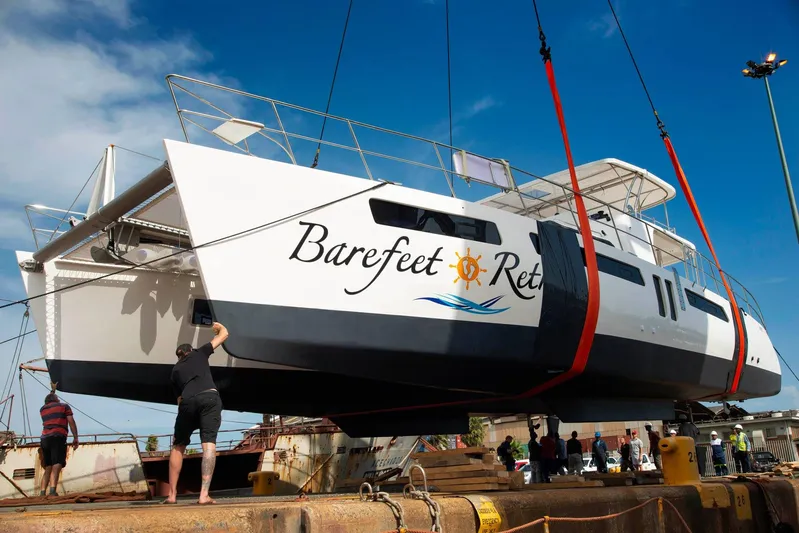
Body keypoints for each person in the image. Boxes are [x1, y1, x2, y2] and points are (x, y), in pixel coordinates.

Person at [166, 322, 229, 505]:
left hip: (186, 402)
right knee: (208, 443)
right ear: (190, 350)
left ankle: (171, 495)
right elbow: (224, 334)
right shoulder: (199, 353)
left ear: (178, 357)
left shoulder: (175, 371)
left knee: (178, 446)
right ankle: (203, 495)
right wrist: (216, 326)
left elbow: (179, 401)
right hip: (209, 398)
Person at [39, 393, 79, 496]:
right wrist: (75, 437)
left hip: (44, 438)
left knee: (48, 466)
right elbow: (71, 421)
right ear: (55, 399)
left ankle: (42, 492)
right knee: (57, 464)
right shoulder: (64, 406)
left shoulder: (42, 409)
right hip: (58, 437)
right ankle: (52, 491)